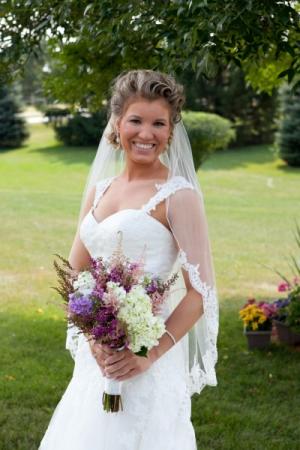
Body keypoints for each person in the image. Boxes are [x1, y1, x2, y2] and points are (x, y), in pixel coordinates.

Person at [39, 70, 219, 450]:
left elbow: (199, 293)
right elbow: (75, 271)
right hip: (98, 359)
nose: (146, 133)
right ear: (117, 124)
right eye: (136, 120)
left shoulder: (179, 196)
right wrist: (94, 336)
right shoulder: (99, 190)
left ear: (171, 132)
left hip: (146, 362)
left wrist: (147, 355)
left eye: (159, 123)